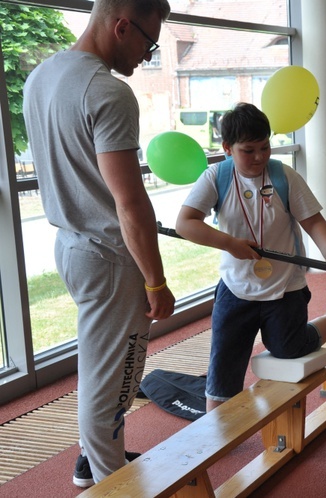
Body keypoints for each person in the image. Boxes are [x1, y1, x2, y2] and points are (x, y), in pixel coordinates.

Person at [22, 0, 176, 488]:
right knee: (115, 378)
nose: (146, 57)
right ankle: (112, 482)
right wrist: (156, 280)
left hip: (70, 247)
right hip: (110, 258)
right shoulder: (109, 92)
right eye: (149, 44)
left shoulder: (40, 78)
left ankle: (95, 458)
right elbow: (130, 205)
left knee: (104, 366)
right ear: (121, 25)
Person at [175, 103, 326, 414]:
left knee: (291, 348)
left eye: (265, 147)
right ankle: (212, 435)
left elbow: (313, 220)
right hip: (235, 289)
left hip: (285, 285)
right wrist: (230, 243)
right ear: (227, 148)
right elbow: (185, 223)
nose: (259, 157)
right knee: (222, 371)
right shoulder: (215, 177)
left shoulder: (284, 176)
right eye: (248, 150)